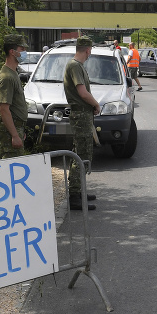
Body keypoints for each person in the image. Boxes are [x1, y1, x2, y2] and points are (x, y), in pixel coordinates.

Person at [64, 36, 101, 211]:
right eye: (90, 50)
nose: (90, 53)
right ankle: (74, 196)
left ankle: (79, 191)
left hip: (84, 114)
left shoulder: (77, 66)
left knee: (83, 153)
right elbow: (82, 92)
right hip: (80, 115)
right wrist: (95, 104)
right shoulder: (74, 66)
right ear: (87, 49)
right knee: (80, 154)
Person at [0, 34, 30, 159]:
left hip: (16, 127)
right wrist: (14, 135)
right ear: (12, 52)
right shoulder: (7, 77)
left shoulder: (13, 73)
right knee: (12, 170)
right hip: (11, 131)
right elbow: (4, 110)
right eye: (22, 49)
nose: (25, 52)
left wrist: (19, 131)